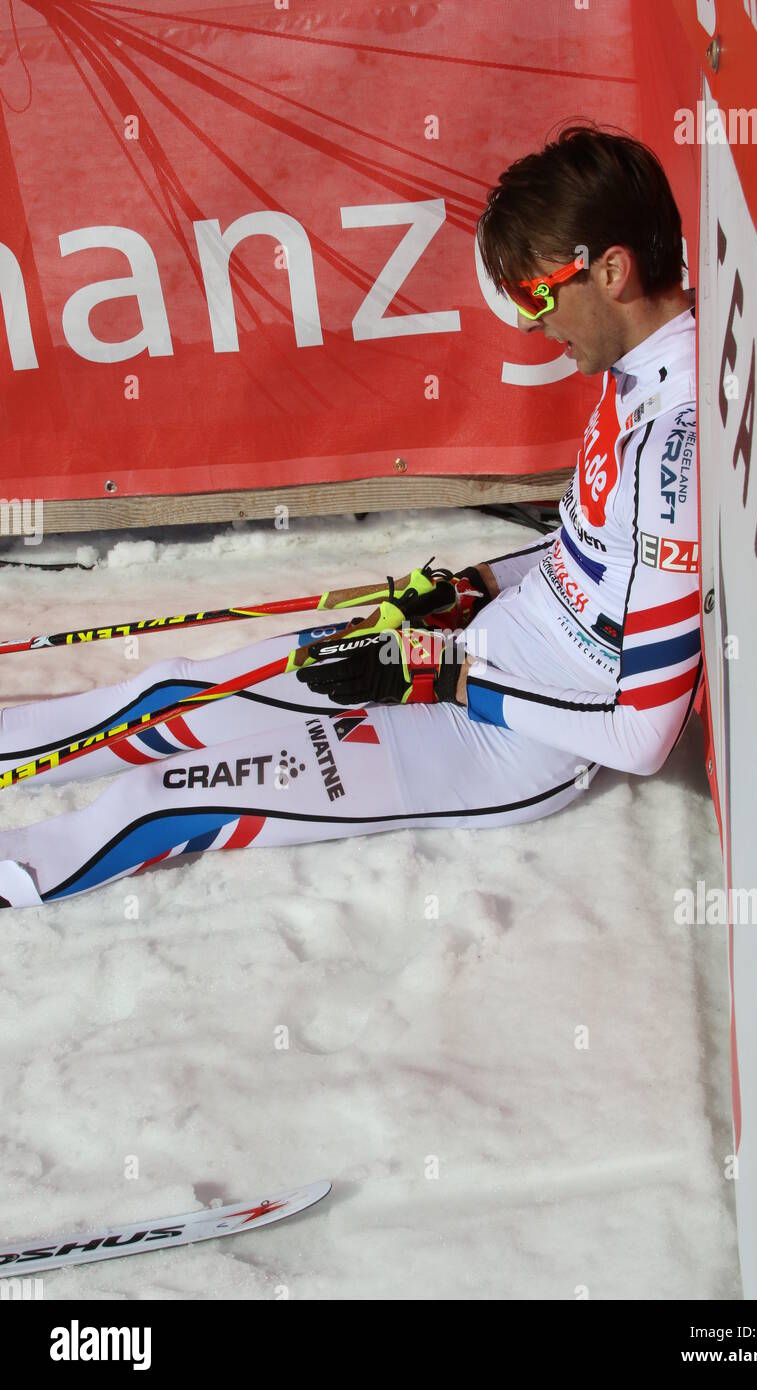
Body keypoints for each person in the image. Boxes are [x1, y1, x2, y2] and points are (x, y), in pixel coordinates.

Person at [0, 125, 701, 910]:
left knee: (163, 799)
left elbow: (640, 735)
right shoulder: (633, 368)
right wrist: (469, 588)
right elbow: (591, 555)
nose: (531, 324)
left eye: (537, 294)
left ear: (612, 270)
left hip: (513, 739)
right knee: (179, 692)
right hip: (477, 650)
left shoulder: (679, 445)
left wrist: (448, 678)